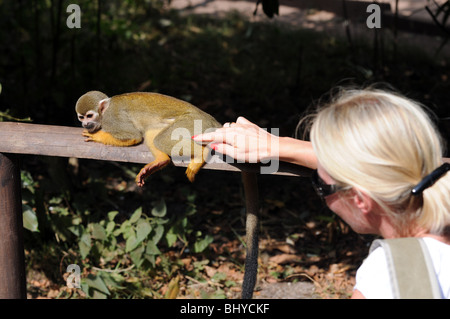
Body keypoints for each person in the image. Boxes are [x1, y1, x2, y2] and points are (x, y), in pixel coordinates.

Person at [192, 87, 450, 299]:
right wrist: (279, 146)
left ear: (361, 200)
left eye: (320, 184)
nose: (320, 188)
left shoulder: (392, 276)